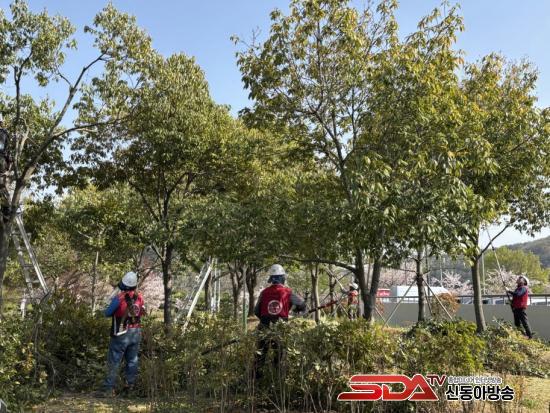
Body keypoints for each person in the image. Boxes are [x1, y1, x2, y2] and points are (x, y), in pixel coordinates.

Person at [96, 271, 145, 397]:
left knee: (114, 360)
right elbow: (142, 312)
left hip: (121, 333)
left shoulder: (119, 298)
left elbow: (107, 313)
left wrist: (101, 310)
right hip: (136, 332)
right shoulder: (140, 297)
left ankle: (108, 389)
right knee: (132, 360)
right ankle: (130, 387)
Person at [253, 264, 306, 379]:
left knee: (260, 356)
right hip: (280, 330)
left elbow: (256, 311)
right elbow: (302, 305)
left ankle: (256, 381)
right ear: (283, 278)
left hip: (264, 328)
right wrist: (295, 310)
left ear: (271, 279)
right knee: (279, 356)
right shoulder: (288, 292)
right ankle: (279, 381)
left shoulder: (264, 292)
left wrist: (265, 320)